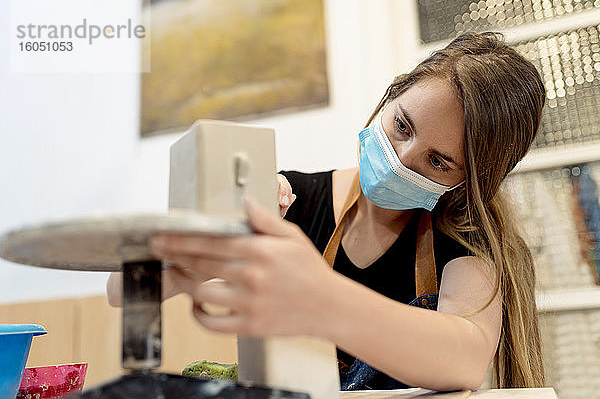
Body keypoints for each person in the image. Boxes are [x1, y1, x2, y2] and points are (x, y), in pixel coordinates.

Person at [107, 31, 546, 391]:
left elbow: (465, 359)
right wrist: (208, 252)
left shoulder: (465, 238)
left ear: (469, 181)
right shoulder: (289, 200)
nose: (401, 157)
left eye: (437, 161)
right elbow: (121, 290)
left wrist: (322, 299)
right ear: (388, 100)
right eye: (402, 126)